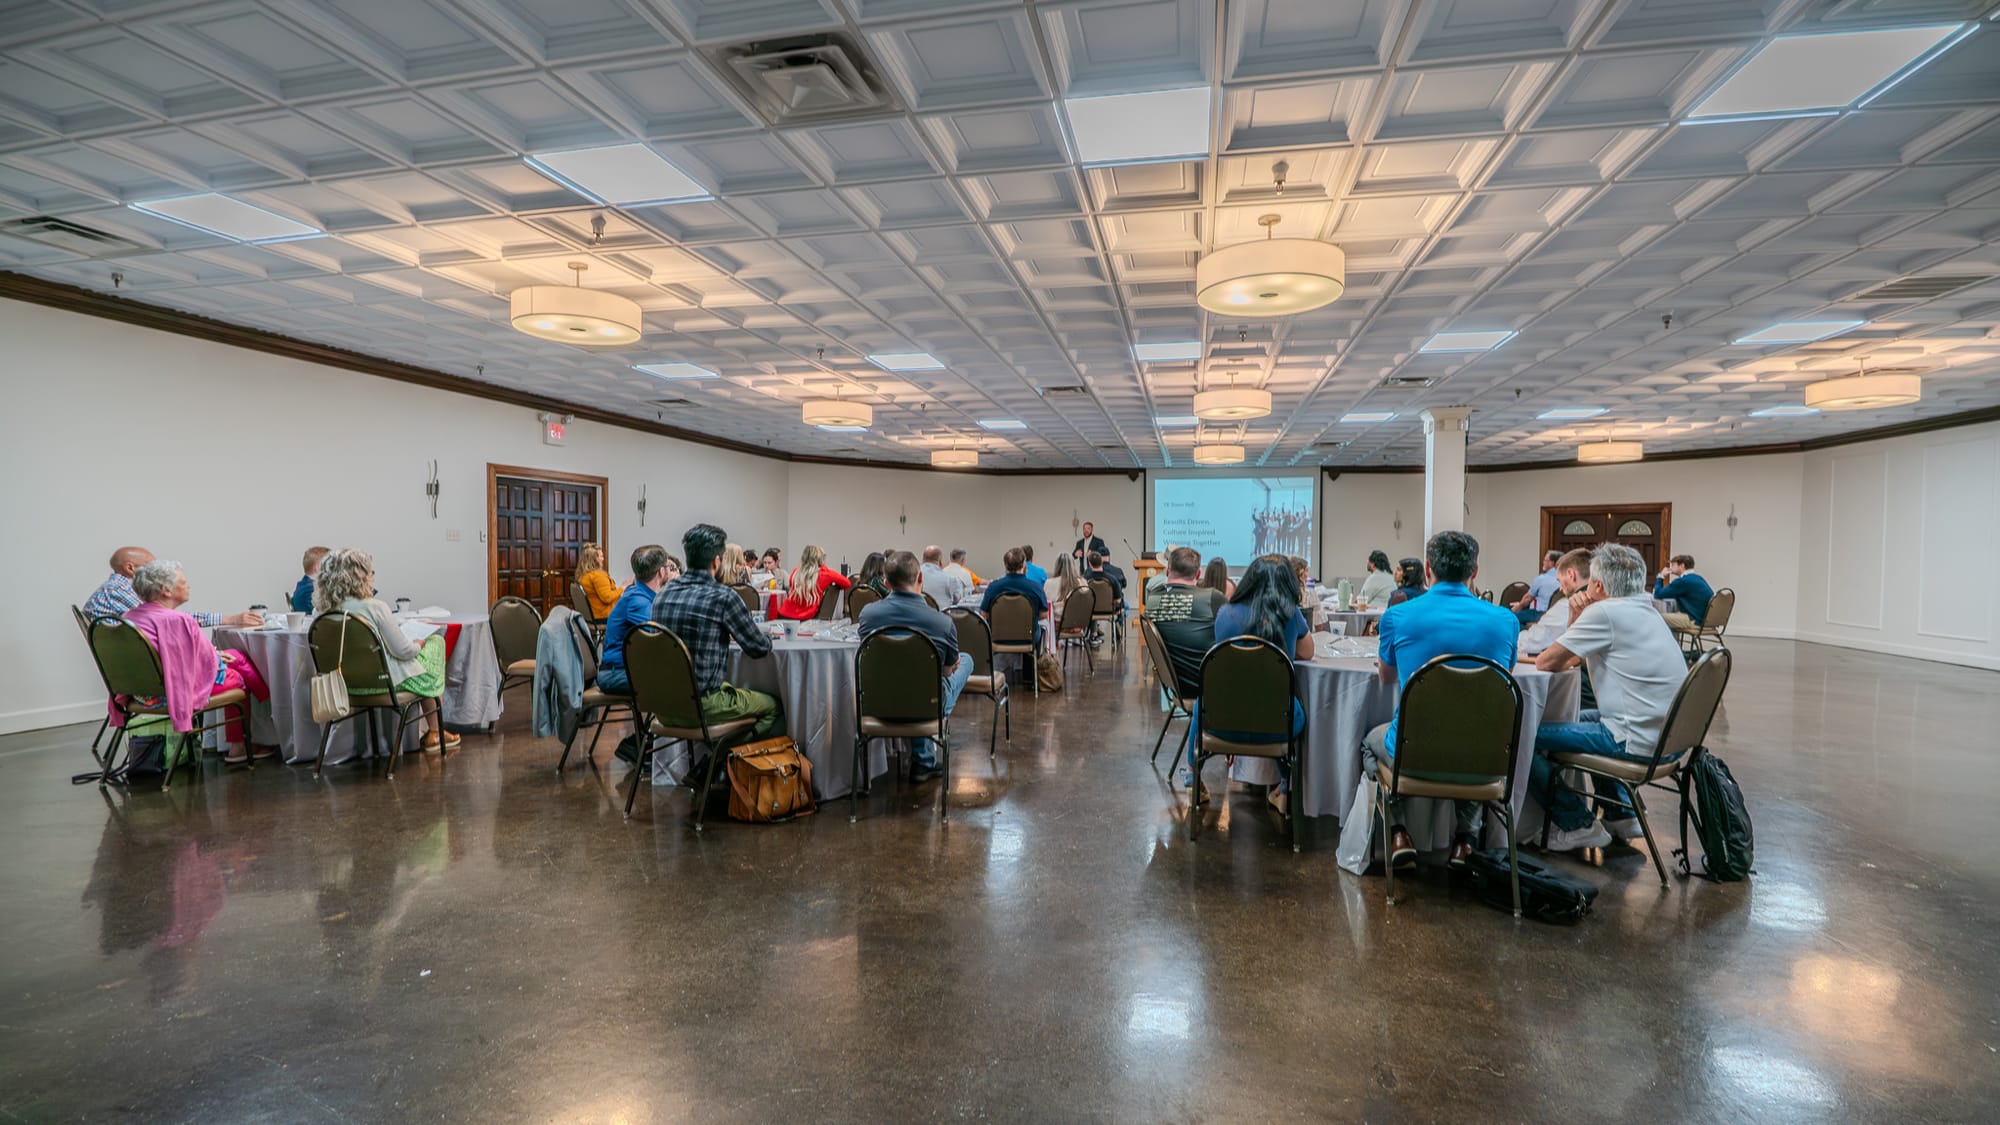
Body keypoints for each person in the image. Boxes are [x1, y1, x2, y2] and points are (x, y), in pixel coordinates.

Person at [1367, 530, 1520, 869]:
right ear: (1475, 571)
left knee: (1368, 742)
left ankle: (1398, 833)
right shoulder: (1506, 621)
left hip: (1415, 750)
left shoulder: (1397, 617)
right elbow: (1501, 677)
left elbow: (1386, 678)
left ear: (1428, 568)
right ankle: (1465, 841)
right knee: (1472, 736)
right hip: (1487, 755)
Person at [1533, 543, 1692, 851]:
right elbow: (1573, 660)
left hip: (1635, 739)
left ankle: (1577, 824)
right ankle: (1622, 813)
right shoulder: (1646, 607)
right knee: (1574, 719)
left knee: (1524, 736)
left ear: (1598, 585)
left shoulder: (1604, 613)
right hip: (1668, 739)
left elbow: (1547, 662)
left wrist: (1578, 612)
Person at [648, 523, 784, 770]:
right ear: (717, 561)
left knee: (728, 686)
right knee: (775, 707)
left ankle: (708, 765)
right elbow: (757, 649)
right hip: (702, 705)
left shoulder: (663, 594)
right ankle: (716, 763)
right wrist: (771, 637)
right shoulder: (723, 597)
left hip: (663, 705)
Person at [1186, 555, 1311, 811]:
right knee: (1291, 707)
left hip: (1223, 722)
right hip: (1278, 724)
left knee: (1203, 702)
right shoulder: (1291, 614)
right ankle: (1285, 785)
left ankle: (1192, 776)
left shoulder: (1225, 615)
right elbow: (1308, 652)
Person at [118, 559, 273, 764]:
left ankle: (265, 699)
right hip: (168, 694)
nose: (188, 585)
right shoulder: (176, 621)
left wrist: (215, 656)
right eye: (183, 581)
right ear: (166, 590)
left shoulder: (130, 617)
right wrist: (215, 657)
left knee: (235, 655)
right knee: (240, 677)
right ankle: (248, 736)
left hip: (141, 693)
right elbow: (199, 662)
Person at [316, 548, 457, 752]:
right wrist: (419, 643)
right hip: (384, 684)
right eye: (370, 573)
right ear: (359, 576)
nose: (372, 577)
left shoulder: (323, 611)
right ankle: (435, 731)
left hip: (344, 685)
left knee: (420, 656)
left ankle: (434, 732)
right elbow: (404, 652)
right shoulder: (375, 607)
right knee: (435, 643)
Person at [859, 550, 973, 783]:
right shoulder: (942, 623)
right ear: (920, 578)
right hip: (926, 704)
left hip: (877, 702)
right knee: (962, 663)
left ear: (886, 582)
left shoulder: (868, 616)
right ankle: (923, 761)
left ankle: (923, 759)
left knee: (907, 676)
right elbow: (948, 671)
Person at [85, 547, 262, 628]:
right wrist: (230, 619)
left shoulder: (113, 589)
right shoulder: (118, 590)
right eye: (150, 567)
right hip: (150, 677)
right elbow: (170, 621)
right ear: (130, 568)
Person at [1146, 547, 1224, 699]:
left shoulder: (1153, 598)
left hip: (1174, 684)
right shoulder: (1213, 598)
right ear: (1199, 573)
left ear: (1168, 571)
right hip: (1208, 683)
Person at [595, 544, 670, 697]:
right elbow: (662, 635)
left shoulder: (638, 594)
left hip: (623, 669)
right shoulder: (637, 601)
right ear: (661, 572)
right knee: (680, 680)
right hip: (616, 674)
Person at [1520, 549, 1592, 658]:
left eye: (1559, 581)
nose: (1560, 588)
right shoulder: (1605, 602)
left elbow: (1532, 642)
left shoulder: (1567, 606)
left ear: (1571, 575)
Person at [979, 547, 1049, 646]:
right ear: (1024, 564)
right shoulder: (1035, 588)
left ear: (1005, 564)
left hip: (998, 637)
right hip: (1028, 637)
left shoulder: (993, 587)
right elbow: (1044, 614)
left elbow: (984, 614)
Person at [772, 544, 851, 620]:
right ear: (821, 559)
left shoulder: (796, 572)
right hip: (805, 618)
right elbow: (847, 583)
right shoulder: (825, 574)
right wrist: (824, 567)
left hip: (784, 614)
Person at [1653, 553, 1714, 638]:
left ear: (1682, 566)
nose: (1670, 568)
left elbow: (1657, 594)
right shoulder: (1698, 578)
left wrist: (1661, 576)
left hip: (1693, 620)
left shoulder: (1683, 581)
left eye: (1673, 565)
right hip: (1703, 619)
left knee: (1654, 616)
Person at [1043, 554, 1086, 651]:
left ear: (1057, 566)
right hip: (1078, 625)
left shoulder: (1049, 583)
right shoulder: (1082, 582)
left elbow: (1045, 606)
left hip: (1058, 626)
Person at [1511, 550, 1563, 626]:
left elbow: (1528, 598)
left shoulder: (1541, 579)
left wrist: (1519, 606)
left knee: (1513, 618)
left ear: (1551, 563)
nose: (1543, 562)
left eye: (1545, 560)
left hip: (1541, 614)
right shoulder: (1565, 578)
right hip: (1559, 615)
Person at [574, 543, 621, 620]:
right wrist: (623, 587)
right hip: (605, 615)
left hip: (592, 615)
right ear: (593, 559)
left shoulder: (584, 576)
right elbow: (607, 598)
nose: (603, 558)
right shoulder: (598, 575)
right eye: (601, 556)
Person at [292, 546, 330, 613]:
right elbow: (319, 614)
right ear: (317, 568)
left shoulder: (302, 585)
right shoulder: (311, 590)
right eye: (329, 565)